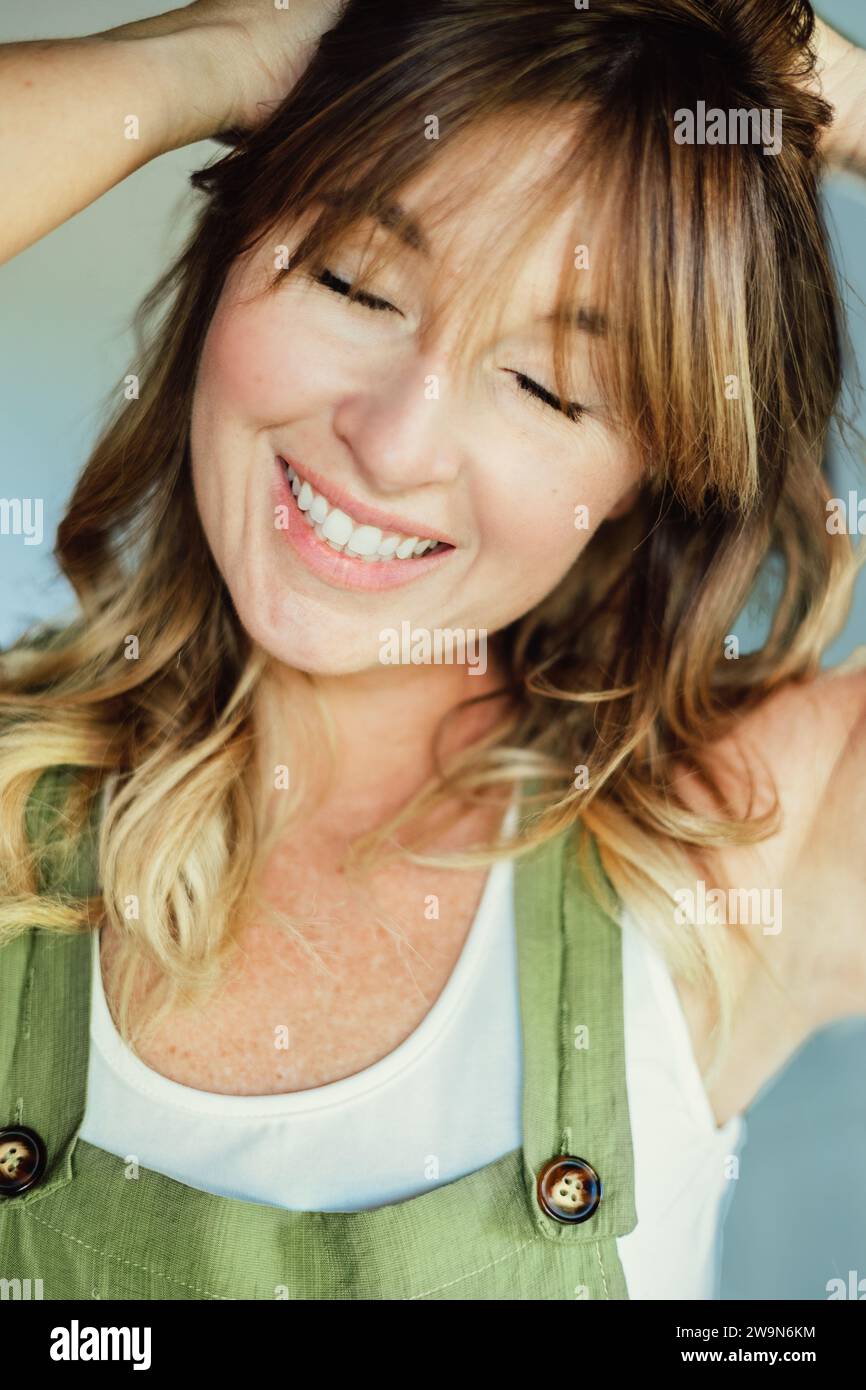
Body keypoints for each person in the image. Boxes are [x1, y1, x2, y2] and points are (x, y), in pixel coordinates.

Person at [1, 0, 865, 1302]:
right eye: (353, 282)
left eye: (547, 388)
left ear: (645, 475)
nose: (394, 442)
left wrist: (788, 75)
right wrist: (216, 52)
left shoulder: (738, 847)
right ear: (237, 255)